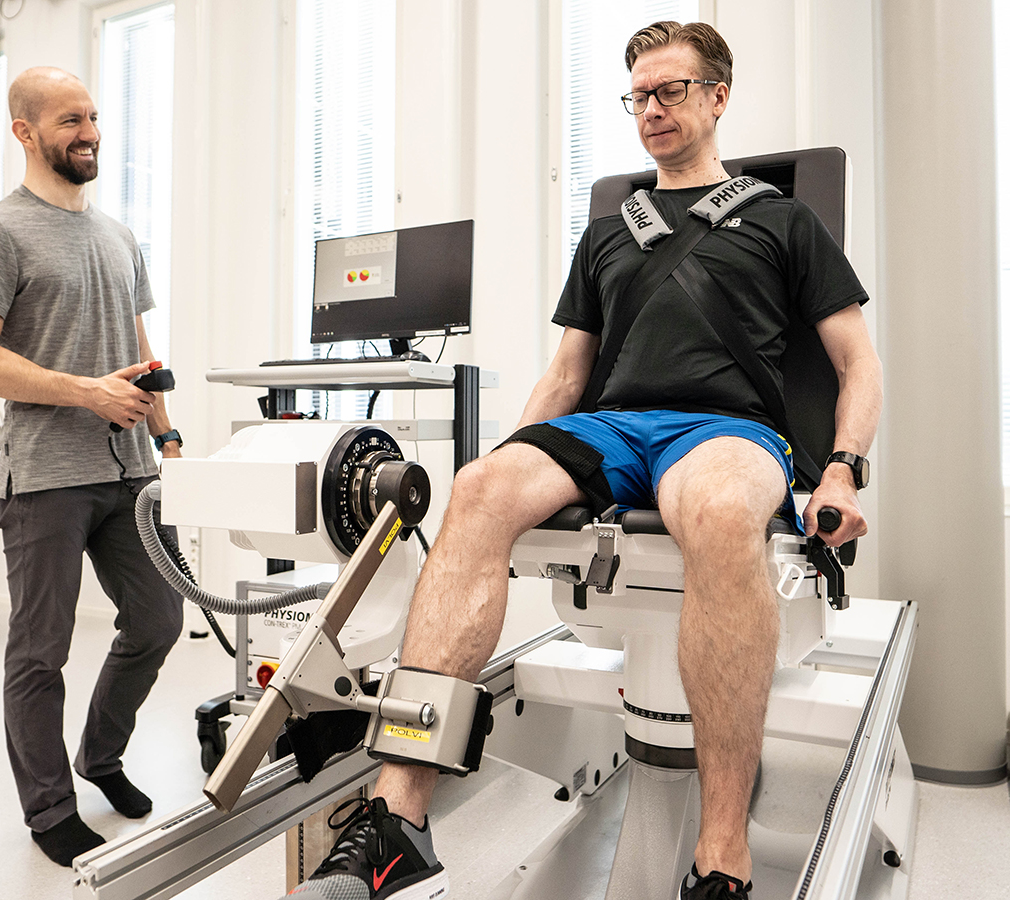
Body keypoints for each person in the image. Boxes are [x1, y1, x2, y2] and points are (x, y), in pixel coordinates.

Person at [285, 21, 883, 900]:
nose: (652, 110)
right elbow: (568, 372)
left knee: (720, 516)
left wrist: (840, 470)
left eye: (671, 90)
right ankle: (398, 817)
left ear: (717, 96)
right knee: (480, 487)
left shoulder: (782, 221)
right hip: (613, 429)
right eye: (639, 96)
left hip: (724, 432)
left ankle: (722, 855)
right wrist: (510, 458)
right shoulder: (609, 233)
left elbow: (856, 363)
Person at [0, 67, 186, 868]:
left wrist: (169, 437)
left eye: (92, 116)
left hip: (132, 471)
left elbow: (141, 354)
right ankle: (49, 808)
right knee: (41, 648)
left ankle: (101, 758)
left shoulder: (119, 235)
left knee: (157, 621)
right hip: (46, 475)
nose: (88, 132)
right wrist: (84, 393)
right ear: (24, 131)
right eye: (68, 120)